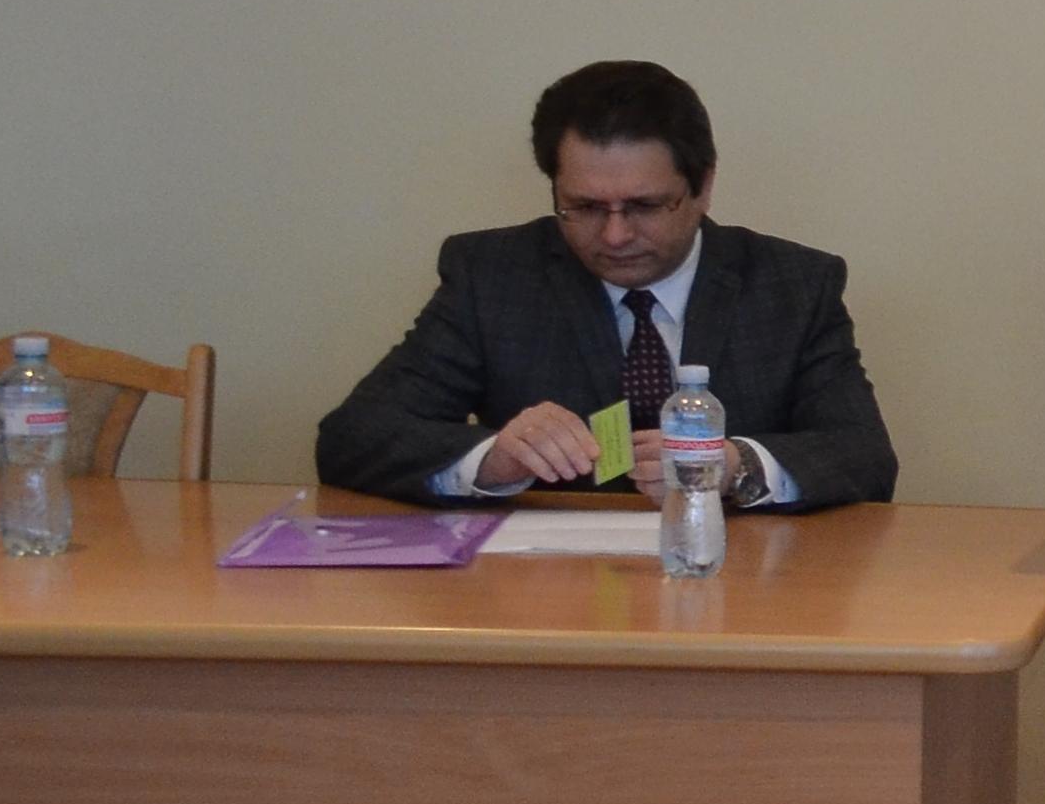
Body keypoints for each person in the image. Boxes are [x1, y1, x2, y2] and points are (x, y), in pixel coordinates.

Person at [315, 60, 897, 511]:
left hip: (735, 577)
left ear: (702, 186)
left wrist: (735, 467)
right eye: (586, 208)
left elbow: (865, 457)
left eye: (644, 206)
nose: (615, 236)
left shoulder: (793, 285)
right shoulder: (493, 276)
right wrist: (490, 460)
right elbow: (350, 438)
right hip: (545, 593)